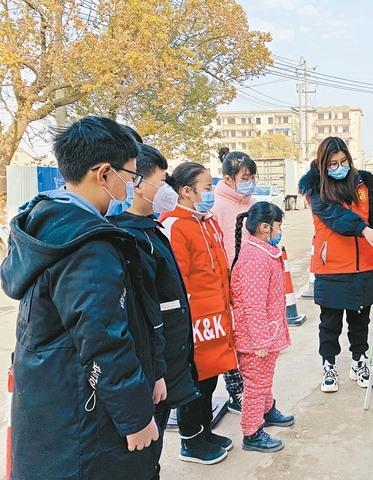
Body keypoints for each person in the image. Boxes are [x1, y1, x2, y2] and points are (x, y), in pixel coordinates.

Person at [0, 116, 162, 479]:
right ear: (103, 173)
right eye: (130, 177)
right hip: (83, 417)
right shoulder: (88, 246)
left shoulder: (44, 220)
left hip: (51, 404)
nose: (129, 189)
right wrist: (135, 419)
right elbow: (104, 340)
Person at [109, 145, 231, 465]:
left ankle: (201, 433)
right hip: (165, 344)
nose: (167, 188)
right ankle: (192, 438)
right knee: (179, 396)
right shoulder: (133, 235)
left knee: (201, 380)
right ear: (134, 180)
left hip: (193, 326)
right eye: (162, 181)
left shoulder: (157, 228)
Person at [298, 136, 373, 393]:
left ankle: (359, 362)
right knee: (330, 323)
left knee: (360, 321)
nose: (339, 167)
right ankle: (329, 365)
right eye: (333, 163)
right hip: (332, 268)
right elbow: (335, 217)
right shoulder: (315, 188)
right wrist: (363, 229)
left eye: (343, 161)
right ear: (323, 164)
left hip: (363, 266)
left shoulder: (362, 183)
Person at [159, 162, 238, 455]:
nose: (210, 193)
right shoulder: (175, 225)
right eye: (206, 188)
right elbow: (176, 281)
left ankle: (205, 431)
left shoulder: (206, 221)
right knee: (193, 382)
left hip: (215, 317)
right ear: (187, 191)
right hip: (193, 321)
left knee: (209, 379)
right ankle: (191, 441)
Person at [230, 202, 294, 452]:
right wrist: (261, 342)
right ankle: (252, 432)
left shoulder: (263, 251)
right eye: (279, 225)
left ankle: (267, 411)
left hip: (266, 334)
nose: (280, 230)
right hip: (256, 339)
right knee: (256, 385)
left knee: (264, 379)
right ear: (265, 228)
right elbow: (253, 305)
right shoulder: (255, 258)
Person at [210, 151, 258, 414]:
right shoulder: (218, 209)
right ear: (228, 180)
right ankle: (235, 390)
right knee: (231, 339)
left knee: (253, 338)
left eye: (252, 177)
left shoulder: (254, 204)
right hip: (231, 282)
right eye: (244, 177)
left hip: (255, 281)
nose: (249, 182)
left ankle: (254, 387)